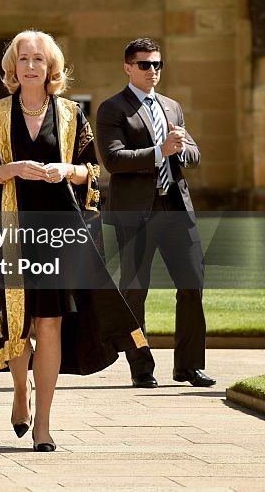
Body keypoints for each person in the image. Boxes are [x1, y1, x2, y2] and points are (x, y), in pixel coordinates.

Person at [0, 30, 147, 452]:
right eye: (23, 59)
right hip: (12, 235)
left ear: (51, 67)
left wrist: (66, 169)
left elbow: (93, 173)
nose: (30, 66)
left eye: (38, 59)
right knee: (18, 324)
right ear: (13, 67)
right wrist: (13, 169)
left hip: (59, 235)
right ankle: (20, 392)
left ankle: (43, 422)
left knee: (50, 322)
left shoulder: (72, 114)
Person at [96, 37, 214, 389]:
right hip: (137, 212)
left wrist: (179, 150)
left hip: (176, 208)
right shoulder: (113, 109)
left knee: (192, 284)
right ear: (128, 67)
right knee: (135, 290)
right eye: (145, 65)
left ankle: (190, 366)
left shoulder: (172, 107)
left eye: (157, 64)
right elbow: (113, 160)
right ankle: (141, 367)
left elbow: (193, 155)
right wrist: (159, 150)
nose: (153, 71)